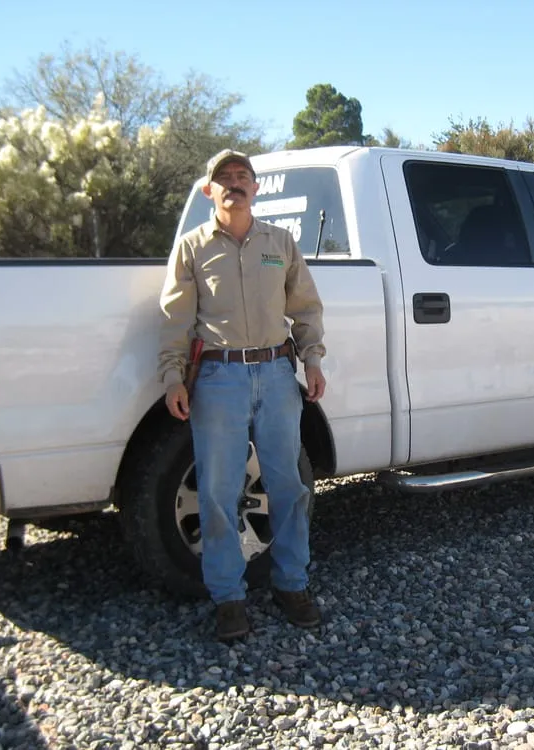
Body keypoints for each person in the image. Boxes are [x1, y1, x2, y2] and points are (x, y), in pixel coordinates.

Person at [157, 149, 327, 641]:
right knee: (216, 494)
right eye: (224, 178)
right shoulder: (192, 248)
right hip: (219, 379)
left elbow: (306, 308)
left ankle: (292, 585)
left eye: (242, 177)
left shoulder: (281, 242)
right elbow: (174, 320)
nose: (235, 184)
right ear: (210, 191)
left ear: (255, 188)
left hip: (276, 374)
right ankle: (228, 598)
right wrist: (173, 378)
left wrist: (312, 359)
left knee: (289, 488)